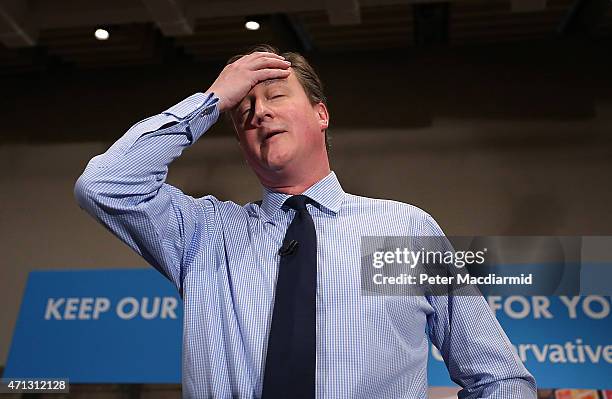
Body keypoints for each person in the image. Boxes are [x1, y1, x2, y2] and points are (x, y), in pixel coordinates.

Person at [74, 44, 537, 398]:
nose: (260, 111)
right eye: (243, 110)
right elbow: (105, 186)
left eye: (276, 95)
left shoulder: (401, 231)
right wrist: (212, 101)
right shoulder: (203, 234)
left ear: (321, 115)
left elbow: (499, 379)